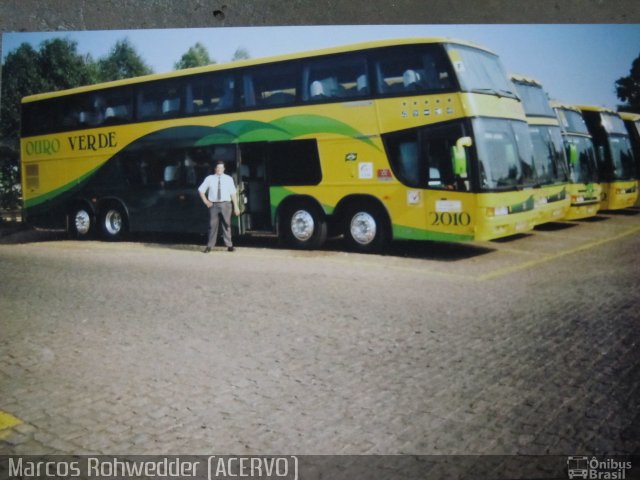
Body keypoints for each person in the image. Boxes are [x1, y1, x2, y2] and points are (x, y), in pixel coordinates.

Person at [198, 160, 241, 252]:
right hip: (213, 205)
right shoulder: (209, 178)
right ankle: (209, 246)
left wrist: (236, 207)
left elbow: (233, 193)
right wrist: (206, 202)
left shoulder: (229, 179)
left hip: (226, 204)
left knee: (227, 225)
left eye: (221, 168)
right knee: (212, 225)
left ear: (224, 169)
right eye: (218, 168)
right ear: (215, 168)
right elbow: (201, 190)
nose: (219, 169)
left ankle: (229, 245)